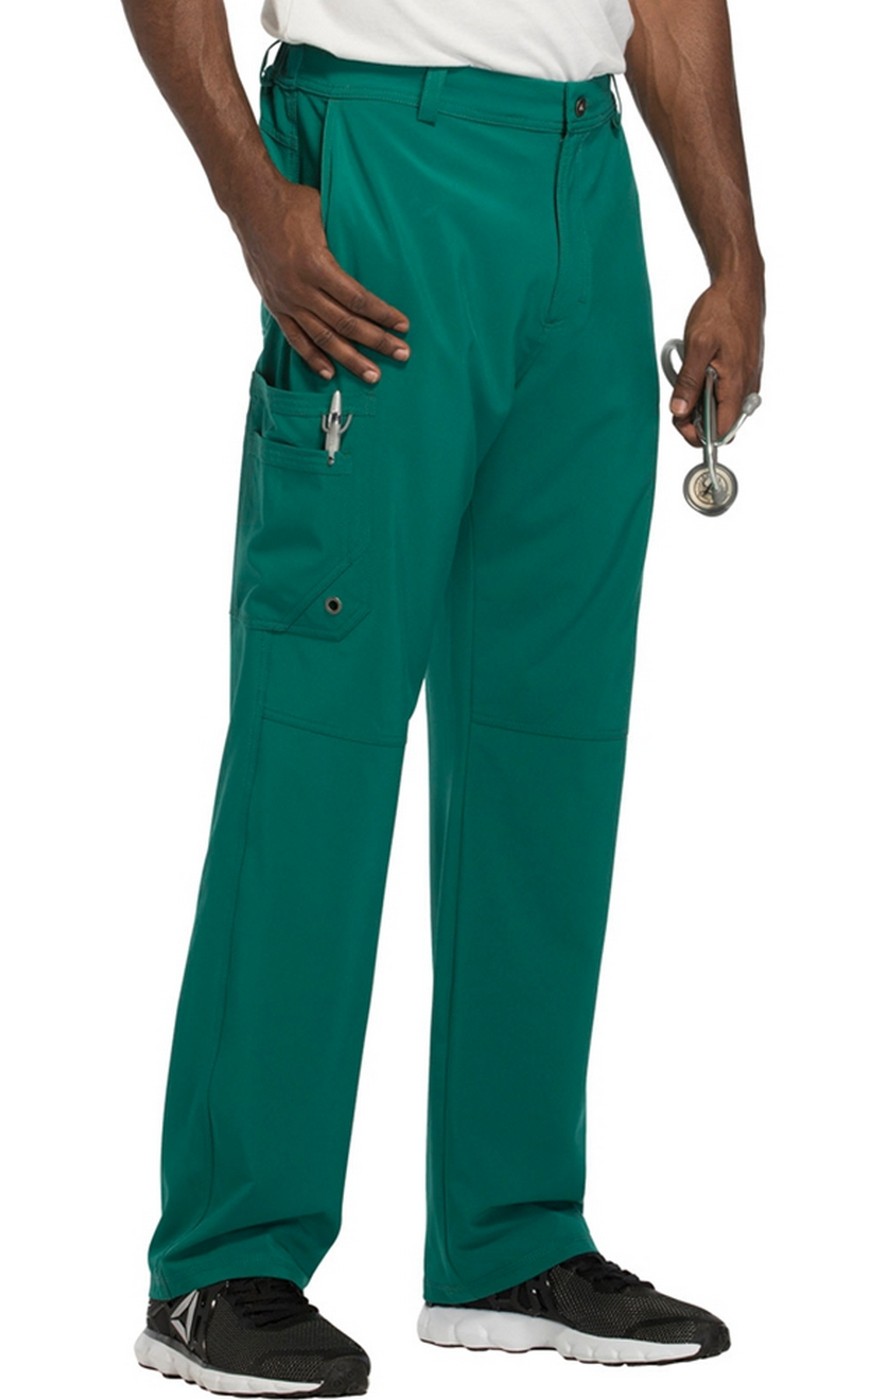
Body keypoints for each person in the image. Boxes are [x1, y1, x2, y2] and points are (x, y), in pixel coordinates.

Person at [121, 0, 765, 1392]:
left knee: (548, 744)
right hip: (375, 156)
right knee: (319, 734)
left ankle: (510, 1236)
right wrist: (253, 199)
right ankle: (221, 1260)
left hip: (584, 184)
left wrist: (734, 257)